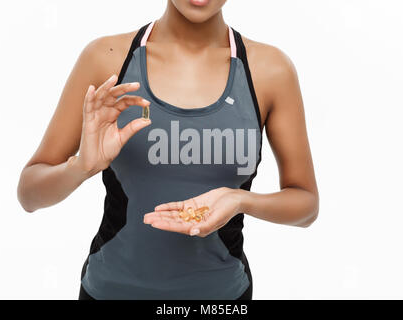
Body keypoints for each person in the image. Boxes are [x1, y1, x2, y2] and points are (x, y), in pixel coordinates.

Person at [17, 0, 319, 300]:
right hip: (110, 293)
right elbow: (29, 194)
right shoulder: (106, 59)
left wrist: (241, 200)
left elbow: (305, 204)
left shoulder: (270, 70)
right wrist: (81, 166)